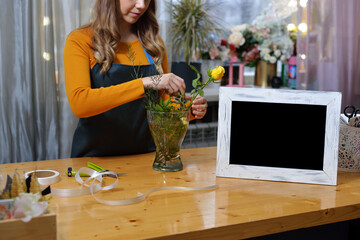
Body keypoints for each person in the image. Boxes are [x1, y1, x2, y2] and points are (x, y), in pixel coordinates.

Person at [64, 0, 208, 158]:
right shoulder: (80, 40)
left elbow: (163, 107)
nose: (141, 5)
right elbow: (80, 104)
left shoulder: (153, 44)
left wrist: (190, 109)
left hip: (145, 158)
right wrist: (145, 83)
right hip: (94, 163)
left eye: (146, 0)